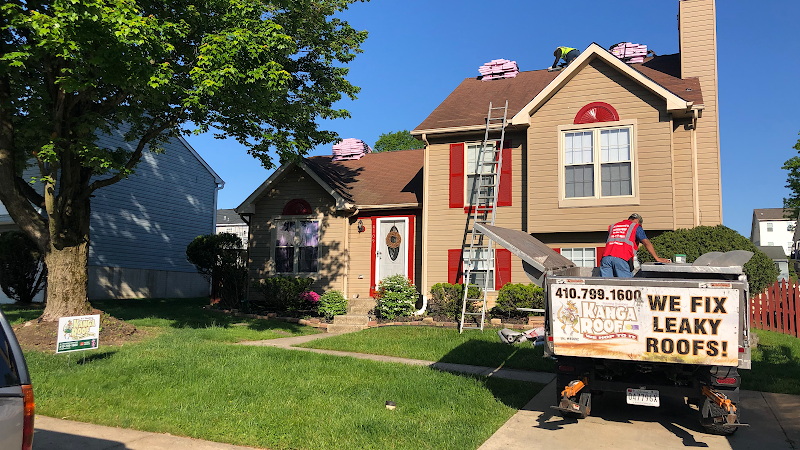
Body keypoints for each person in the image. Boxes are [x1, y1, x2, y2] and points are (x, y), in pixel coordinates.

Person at [599, 213, 670, 278]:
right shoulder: (635, 227)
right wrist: (657, 258)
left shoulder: (614, 226)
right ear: (637, 220)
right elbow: (646, 242)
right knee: (626, 287)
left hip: (606, 258)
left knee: (606, 286)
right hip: (622, 258)